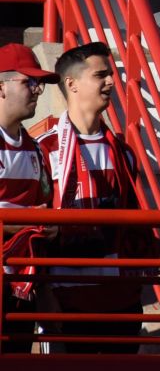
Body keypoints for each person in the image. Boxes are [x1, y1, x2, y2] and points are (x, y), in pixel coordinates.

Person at [34, 43, 146, 353]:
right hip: (67, 299)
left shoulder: (124, 153)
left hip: (121, 299)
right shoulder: (44, 149)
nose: (111, 82)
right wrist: (44, 293)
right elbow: (34, 232)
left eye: (110, 75)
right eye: (101, 75)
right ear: (71, 84)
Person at [0, 45, 54, 210]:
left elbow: (42, 203)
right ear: (1, 87)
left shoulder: (34, 148)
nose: (37, 90)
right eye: (29, 82)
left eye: (38, 83)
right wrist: (24, 222)